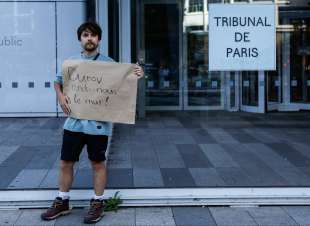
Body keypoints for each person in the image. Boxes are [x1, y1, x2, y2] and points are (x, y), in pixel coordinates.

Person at [41, 22, 144, 224]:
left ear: (99, 39)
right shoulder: (70, 63)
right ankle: (62, 200)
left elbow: (123, 84)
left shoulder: (109, 63)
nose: (90, 39)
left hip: (98, 126)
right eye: (86, 35)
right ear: (80, 39)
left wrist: (136, 75)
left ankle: (98, 203)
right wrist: (60, 96)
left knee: (97, 163)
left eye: (93, 35)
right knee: (65, 163)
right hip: (74, 124)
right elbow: (57, 81)